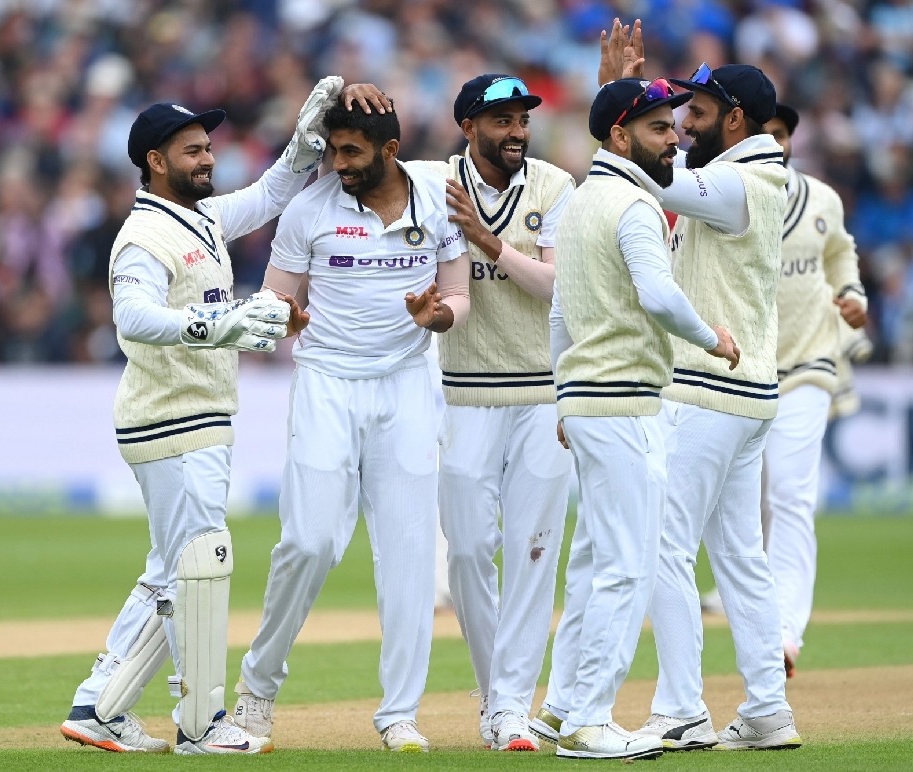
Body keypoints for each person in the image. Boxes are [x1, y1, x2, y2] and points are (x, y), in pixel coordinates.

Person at [59, 76, 346, 755]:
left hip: (194, 417)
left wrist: (306, 146)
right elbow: (132, 317)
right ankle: (202, 724)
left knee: (173, 570)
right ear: (156, 161)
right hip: (170, 419)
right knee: (202, 559)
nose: (206, 159)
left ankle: (100, 706)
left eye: (207, 147)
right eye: (192, 150)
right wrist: (219, 322)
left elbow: (272, 193)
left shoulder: (204, 218)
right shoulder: (142, 237)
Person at [229, 94, 471, 753]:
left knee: (410, 556)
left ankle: (400, 713)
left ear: (390, 151)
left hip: (407, 385)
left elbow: (458, 297)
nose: (336, 163)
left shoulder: (437, 195)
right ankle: (256, 693)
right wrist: (281, 320)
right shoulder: (309, 209)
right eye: (332, 150)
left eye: (350, 152)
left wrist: (437, 318)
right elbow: (275, 302)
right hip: (327, 383)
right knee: (307, 543)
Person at [539, 76, 739, 760]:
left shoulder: (580, 201)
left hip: (592, 400)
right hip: (624, 401)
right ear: (620, 136)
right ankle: (589, 719)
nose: (676, 137)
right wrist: (713, 337)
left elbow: (562, 313)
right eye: (659, 127)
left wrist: (564, 394)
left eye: (676, 125)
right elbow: (658, 294)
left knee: (598, 560)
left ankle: (563, 706)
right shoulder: (633, 205)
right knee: (627, 564)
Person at [613, 48, 801, 750]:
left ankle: (681, 707)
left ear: (737, 118)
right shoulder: (749, 174)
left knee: (666, 542)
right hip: (743, 392)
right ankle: (766, 709)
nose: (685, 123)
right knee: (740, 556)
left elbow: (646, 175)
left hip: (712, 388)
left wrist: (621, 98)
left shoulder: (743, 181)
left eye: (696, 110)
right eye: (679, 110)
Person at [407, 74, 576, 752]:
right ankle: (495, 696)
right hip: (464, 393)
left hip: (541, 393)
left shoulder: (555, 187)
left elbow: (554, 286)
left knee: (534, 553)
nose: (516, 132)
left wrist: (487, 242)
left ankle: (509, 708)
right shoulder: (431, 184)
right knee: (472, 552)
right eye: (501, 120)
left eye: (521, 120)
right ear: (468, 126)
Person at [761, 103, 868, 678]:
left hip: (808, 365)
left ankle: (784, 632)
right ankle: (756, 616)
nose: (774, 145)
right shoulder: (724, 199)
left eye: (781, 135)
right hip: (740, 371)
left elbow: (841, 255)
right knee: (746, 509)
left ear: (792, 139)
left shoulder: (823, 199)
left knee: (792, 497)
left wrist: (855, 296)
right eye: (764, 135)